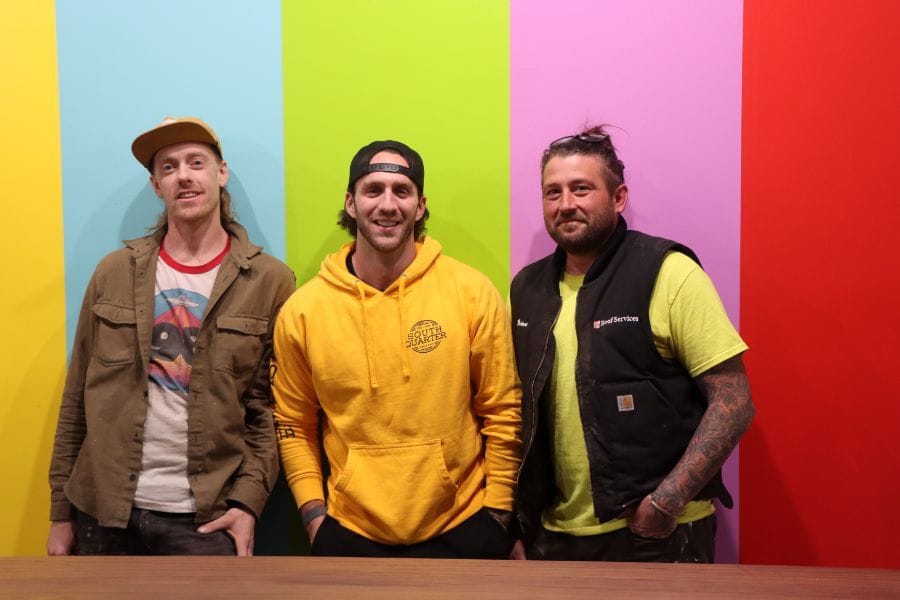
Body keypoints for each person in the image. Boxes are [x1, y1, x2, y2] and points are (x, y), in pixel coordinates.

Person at [47, 117, 295, 556]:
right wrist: (60, 513)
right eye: (168, 166)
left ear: (221, 173)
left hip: (206, 518)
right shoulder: (113, 273)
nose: (183, 175)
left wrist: (247, 503)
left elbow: (271, 412)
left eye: (196, 162)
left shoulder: (270, 281)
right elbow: (77, 397)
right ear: (155, 185)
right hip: (104, 513)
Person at [509, 126, 754, 562]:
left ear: (618, 197)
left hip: (658, 535)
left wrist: (665, 502)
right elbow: (517, 412)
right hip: (554, 536)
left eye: (581, 188)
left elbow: (734, 400)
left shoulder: (667, 271)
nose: (565, 204)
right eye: (552, 192)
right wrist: (518, 522)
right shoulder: (527, 288)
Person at [272, 140, 521, 558]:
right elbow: (293, 422)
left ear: (420, 206)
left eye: (401, 191)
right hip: (349, 532)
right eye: (373, 190)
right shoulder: (304, 311)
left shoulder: (471, 292)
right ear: (350, 203)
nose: (387, 204)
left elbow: (503, 410)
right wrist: (314, 516)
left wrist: (498, 511)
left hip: (464, 525)